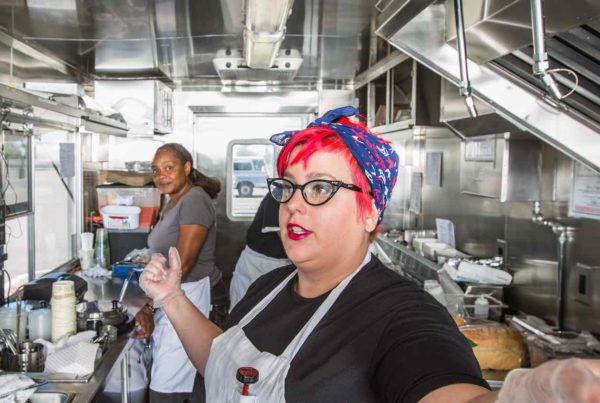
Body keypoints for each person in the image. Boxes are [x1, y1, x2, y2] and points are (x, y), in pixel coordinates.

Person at [139, 107, 600, 402]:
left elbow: (447, 390)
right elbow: (221, 361)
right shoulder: (269, 287)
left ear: (368, 212)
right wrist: (172, 297)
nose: (294, 204)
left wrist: (525, 397)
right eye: (289, 187)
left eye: (320, 187)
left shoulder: (401, 316)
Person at [133, 143, 228, 402]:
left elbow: (184, 264)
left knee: (169, 385)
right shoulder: (174, 200)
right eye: (156, 170)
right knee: (171, 378)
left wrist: (150, 307)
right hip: (177, 294)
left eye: (168, 168)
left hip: (195, 296)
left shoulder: (195, 199)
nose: (161, 175)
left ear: (186, 167)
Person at [229, 193, 290, 310]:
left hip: (283, 264)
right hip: (258, 265)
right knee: (244, 312)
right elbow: (288, 242)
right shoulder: (277, 194)